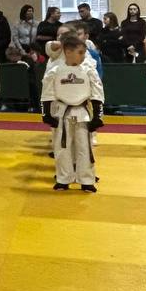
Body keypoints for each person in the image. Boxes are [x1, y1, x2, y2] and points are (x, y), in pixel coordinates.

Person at [41, 34, 104, 192]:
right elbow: (47, 94)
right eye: (80, 52)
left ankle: (86, 180)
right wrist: (46, 114)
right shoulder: (55, 71)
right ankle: (63, 179)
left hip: (82, 112)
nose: (83, 56)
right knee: (62, 148)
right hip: (62, 113)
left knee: (85, 147)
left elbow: (97, 93)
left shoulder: (88, 71)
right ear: (68, 52)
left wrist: (97, 116)